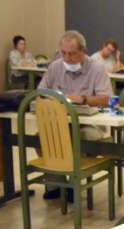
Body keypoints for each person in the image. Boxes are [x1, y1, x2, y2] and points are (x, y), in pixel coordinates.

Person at [38, 30, 113, 200]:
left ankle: (74, 183)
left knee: (80, 136)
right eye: (63, 53)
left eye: (72, 54)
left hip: (89, 124)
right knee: (42, 137)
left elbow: (106, 99)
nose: (67, 58)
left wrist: (83, 99)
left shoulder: (96, 68)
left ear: (83, 51)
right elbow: (41, 92)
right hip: (59, 122)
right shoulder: (56, 66)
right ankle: (56, 182)